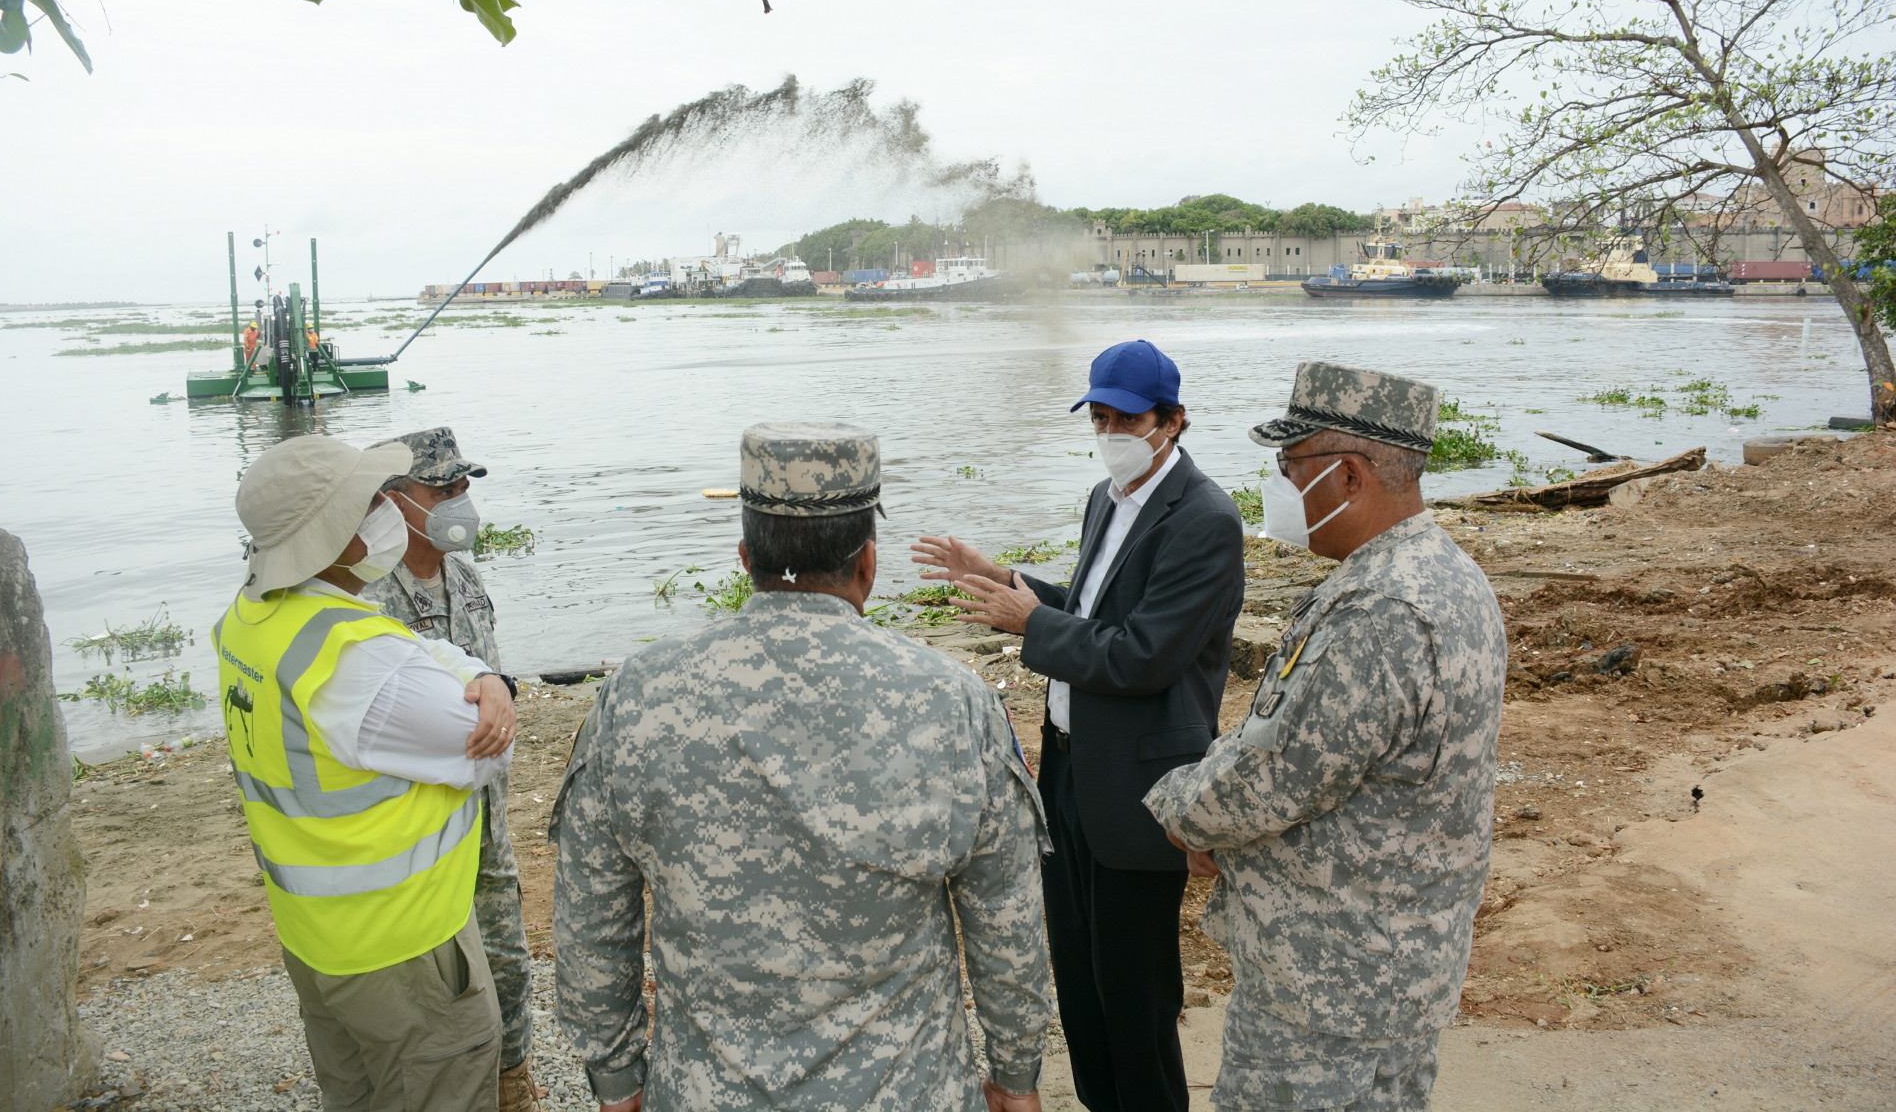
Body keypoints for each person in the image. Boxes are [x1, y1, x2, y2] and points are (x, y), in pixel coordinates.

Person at [551, 421, 1053, 1112]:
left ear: (744, 556)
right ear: (868, 563)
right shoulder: (952, 702)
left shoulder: (637, 697)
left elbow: (591, 918)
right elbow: (1006, 916)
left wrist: (615, 1079)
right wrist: (1016, 1074)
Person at [1145, 361, 1507, 1112]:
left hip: (1327, 987)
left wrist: (1182, 812)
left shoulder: (1379, 611)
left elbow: (1274, 774)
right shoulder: (1447, 574)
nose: (1280, 484)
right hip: (1398, 968)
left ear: (1347, 476)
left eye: (1290, 465)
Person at [914, 339, 1246, 1112]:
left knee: (1136, 999)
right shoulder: (1107, 497)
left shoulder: (1205, 518)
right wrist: (1006, 579)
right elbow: (1094, 611)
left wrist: (1029, 622)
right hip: (1070, 769)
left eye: (1125, 419)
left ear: (1172, 420)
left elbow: (1143, 654)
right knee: (1083, 988)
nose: (1110, 432)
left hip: (1141, 784)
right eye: (1098, 417)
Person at [213, 434, 520, 1111]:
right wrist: (487, 689)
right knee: (438, 1080)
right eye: (372, 500)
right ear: (336, 533)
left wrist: (479, 673)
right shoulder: (354, 656)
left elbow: (414, 652)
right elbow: (485, 748)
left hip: (319, 934)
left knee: (357, 1090)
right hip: (400, 942)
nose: (385, 508)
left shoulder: (259, 617)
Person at [359, 427, 540, 1112]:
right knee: (432, 983)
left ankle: (513, 1082)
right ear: (392, 501)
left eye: (464, 487)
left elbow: (489, 670)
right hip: (417, 827)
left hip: (485, 819)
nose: (460, 501)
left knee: (508, 960)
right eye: (443, 490)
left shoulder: (464, 575)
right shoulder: (365, 593)